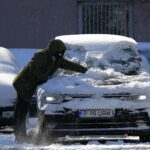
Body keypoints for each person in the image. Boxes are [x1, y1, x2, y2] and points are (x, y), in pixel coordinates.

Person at [13, 39, 87, 143]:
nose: (60, 54)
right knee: (22, 110)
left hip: (30, 83)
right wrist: (45, 78)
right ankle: (20, 136)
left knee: (22, 108)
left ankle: (20, 134)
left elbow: (69, 65)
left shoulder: (57, 59)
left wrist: (85, 70)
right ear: (54, 50)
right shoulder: (40, 55)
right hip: (23, 82)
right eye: (59, 52)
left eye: (62, 52)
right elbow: (33, 68)